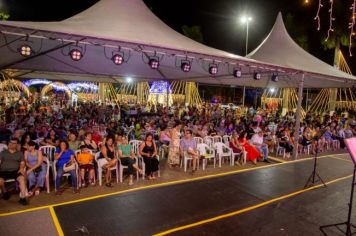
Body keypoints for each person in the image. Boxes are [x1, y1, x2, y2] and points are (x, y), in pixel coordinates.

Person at [0, 138, 28, 205]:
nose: (11, 144)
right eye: (10, 142)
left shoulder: (20, 153)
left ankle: (23, 198)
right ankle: (5, 192)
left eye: (13, 143)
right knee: (0, 181)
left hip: (15, 171)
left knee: (22, 179)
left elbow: (22, 163)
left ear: (17, 145)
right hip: (3, 171)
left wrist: (21, 168)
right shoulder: (3, 153)